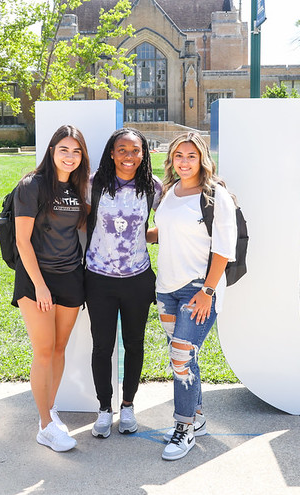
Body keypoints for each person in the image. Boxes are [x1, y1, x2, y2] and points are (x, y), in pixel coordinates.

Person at [148, 132, 238, 461]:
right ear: (171, 159)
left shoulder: (216, 196)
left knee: (180, 357)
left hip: (199, 289)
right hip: (166, 289)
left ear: (202, 159)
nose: (184, 162)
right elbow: (167, 229)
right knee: (185, 356)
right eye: (178, 156)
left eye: (191, 156)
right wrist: (140, 233)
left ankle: (183, 428)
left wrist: (208, 291)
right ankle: (197, 416)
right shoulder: (170, 192)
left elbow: (223, 250)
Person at [13, 125, 90, 452]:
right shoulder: (32, 186)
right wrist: (40, 287)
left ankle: (51, 409)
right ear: (51, 151)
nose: (70, 157)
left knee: (59, 349)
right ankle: (45, 425)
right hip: (36, 279)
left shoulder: (77, 187)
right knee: (43, 351)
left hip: (71, 276)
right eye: (64, 150)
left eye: (76, 151)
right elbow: (22, 241)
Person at [85, 128, 163, 439]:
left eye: (135, 150)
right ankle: (105, 409)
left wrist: (143, 236)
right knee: (102, 346)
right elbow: (79, 222)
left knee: (134, 344)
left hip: (137, 279)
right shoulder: (93, 184)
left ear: (143, 154)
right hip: (99, 278)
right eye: (122, 150)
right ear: (112, 152)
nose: (128, 156)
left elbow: (171, 222)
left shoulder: (152, 187)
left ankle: (128, 406)